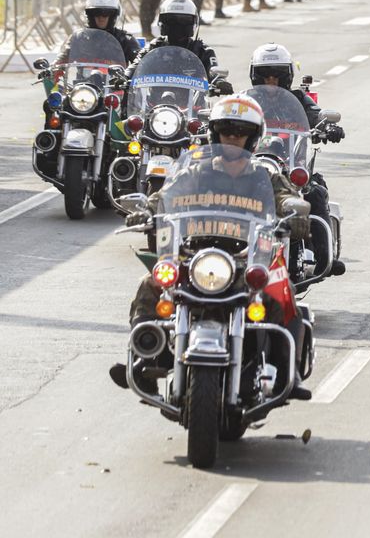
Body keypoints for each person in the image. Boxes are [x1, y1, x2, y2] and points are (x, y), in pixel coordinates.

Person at [109, 95, 311, 399]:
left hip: (245, 258)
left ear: (252, 137)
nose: (232, 139)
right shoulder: (195, 172)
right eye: (226, 132)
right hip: (195, 255)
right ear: (215, 134)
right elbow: (163, 196)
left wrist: (295, 211)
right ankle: (144, 360)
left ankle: (288, 374)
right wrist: (147, 211)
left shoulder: (265, 175)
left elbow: (285, 199)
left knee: (281, 291)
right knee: (151, 285)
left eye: (239, 132)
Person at [250, 43, 346, 277]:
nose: (271, 82)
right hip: (253, 167)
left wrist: (327, 126)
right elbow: (226, 115)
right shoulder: (247, 101)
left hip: (291, 167)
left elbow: (315, 114)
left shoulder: (299, 99)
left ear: (287, 77)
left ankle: (324, 257)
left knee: (315, 192)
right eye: (266, 76)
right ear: (256, 77)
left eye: (277, 76)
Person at [132, 0, 231, 91]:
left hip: (194, 105)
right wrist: (124, 76)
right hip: (154, 105)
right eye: (171, 20)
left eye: (184, 21)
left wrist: (219, 81)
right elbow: (135, 66)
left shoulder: (203, 51)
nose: (177, 25)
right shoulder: (153, 47)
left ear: (193, 22)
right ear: (162, 22)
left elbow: (213, 70)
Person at [72, 0, 142, 64]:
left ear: (113, 15)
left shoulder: (125, 39)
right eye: (96, 12)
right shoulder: (79, 38)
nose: (101, 17)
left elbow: (140, 64)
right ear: (90, 15)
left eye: (106, 13)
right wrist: (58, 69)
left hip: (115, 76)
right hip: (84, 76)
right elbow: (61, 61)